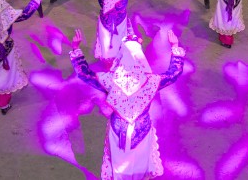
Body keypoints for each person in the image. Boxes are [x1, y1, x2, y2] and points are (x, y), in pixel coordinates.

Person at [68, 28, 185, 180]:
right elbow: (174, 73)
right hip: (142, 129)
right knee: (140, 161)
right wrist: (175, 47)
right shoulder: (152, 81)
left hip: (118, 130)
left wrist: (76, 49)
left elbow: (84, 74)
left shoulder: (109, 80)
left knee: (120, 161)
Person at [78, 0, 149, 69]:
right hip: (120, 20)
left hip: (105, 21)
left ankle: (108, 65)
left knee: (106, 41)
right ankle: (121, 63)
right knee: (121, 40)